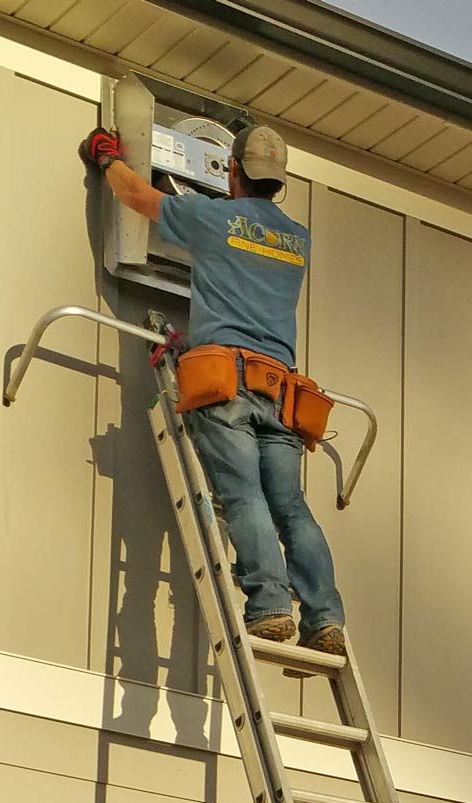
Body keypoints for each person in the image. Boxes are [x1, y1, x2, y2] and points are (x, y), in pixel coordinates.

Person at [82, 121, 346, 653]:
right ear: (279, 181)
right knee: (290, 505)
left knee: (243, 492)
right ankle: (325, 616)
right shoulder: (299, 240)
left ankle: (269, 605)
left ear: (233, 171)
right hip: (282, 393)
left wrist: (106, 156)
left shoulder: (212, 218)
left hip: (227, 384)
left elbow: (136, 195)